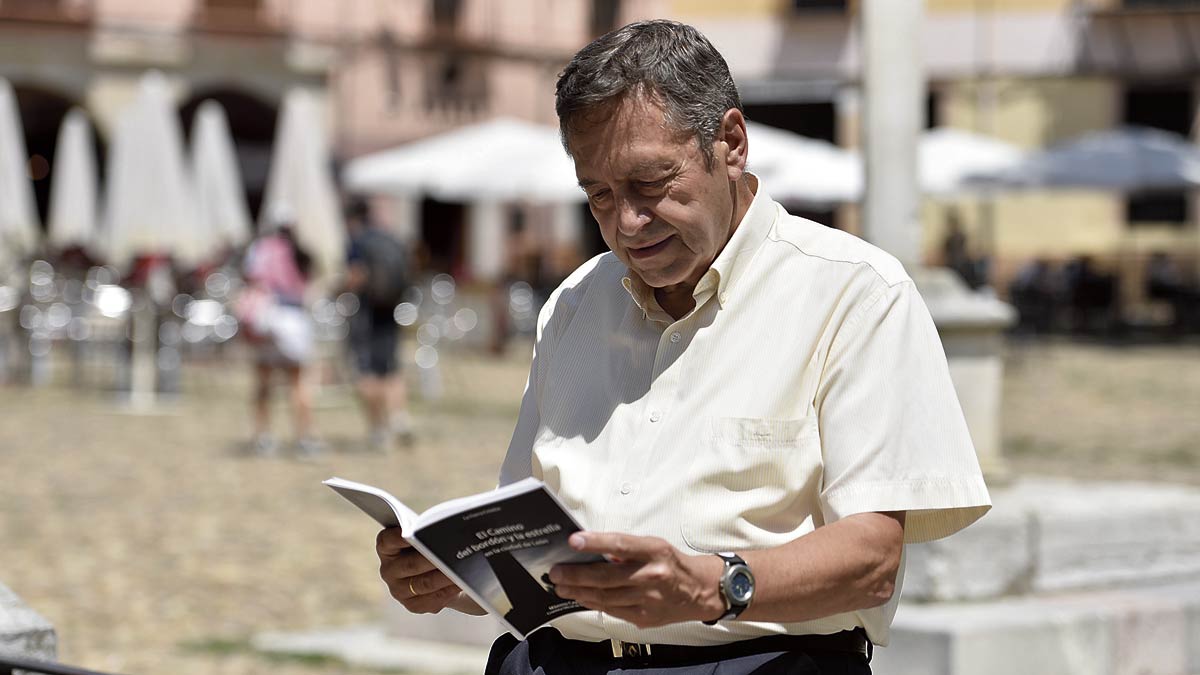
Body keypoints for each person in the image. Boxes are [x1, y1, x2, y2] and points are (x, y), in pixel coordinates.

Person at [376, 20, 991, 674]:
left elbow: (872, 559)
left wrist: (710, 585)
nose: (627, 223)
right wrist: (457, 574)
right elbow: (536, 556)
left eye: (650, 183)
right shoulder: (574, 304)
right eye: (600, 196)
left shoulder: (856, 294)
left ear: (730, 143)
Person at [239, 220, 321, 457]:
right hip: (294, 321)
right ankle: (305, 437)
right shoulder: (301, 252)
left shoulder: (261, 249)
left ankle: (263, 436)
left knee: (264, 382)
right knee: (298, 384)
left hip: (268, 318)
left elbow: (251, 278)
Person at [344, 201, 414, 449]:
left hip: (367, 313)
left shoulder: (358, 242)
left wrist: (341, 289)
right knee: (391, 368)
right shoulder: (392, 240)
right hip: (391, 310)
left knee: (367, 372)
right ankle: (398, 416)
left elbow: (356, 276)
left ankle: (378, 428)